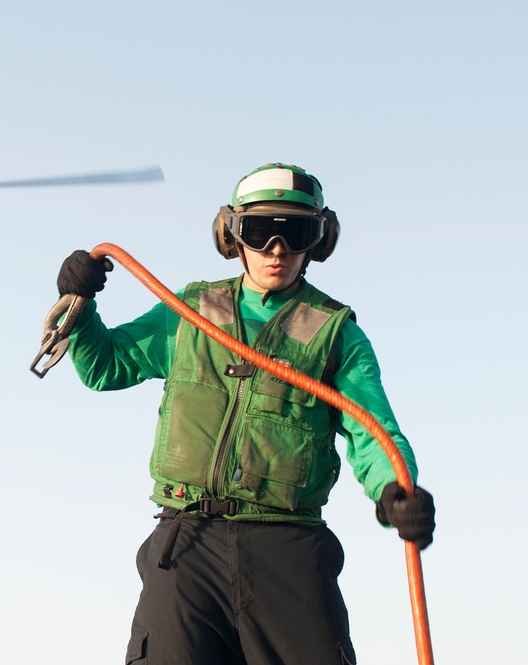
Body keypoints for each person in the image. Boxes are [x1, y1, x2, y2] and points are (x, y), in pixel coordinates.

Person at [54, 163, 436, 665]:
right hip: (185, 542)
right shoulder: (188, 312)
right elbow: (105, 366)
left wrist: (394, 489)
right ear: (232, 234)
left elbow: (373, 432)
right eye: (260, 231)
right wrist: (79, 303)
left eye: (295, 232)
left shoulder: (336, 334)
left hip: (289, 548)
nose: (276, 248)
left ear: (320, 240)